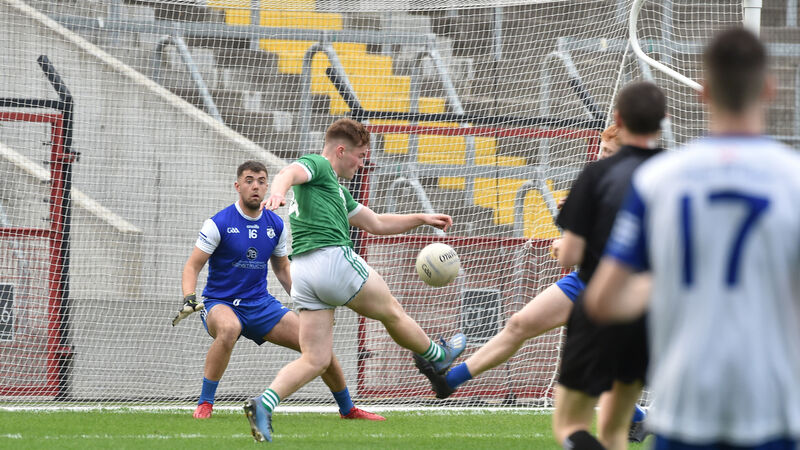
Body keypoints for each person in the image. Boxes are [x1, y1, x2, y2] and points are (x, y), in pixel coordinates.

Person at [585, 27, 800, 450]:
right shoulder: (793, 181)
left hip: (684, 408)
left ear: (703, 92)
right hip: (772, 408)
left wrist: (672, 283)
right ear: (769, 90)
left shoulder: (657, 180)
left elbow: (604, 301)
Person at [413, 124, 646, 441]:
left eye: (610, 153)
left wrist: (570, 240)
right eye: (602, 149)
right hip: (584, 280)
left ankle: (639, 418)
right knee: (519, 324)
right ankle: (448, 381)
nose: (602, 156)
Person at [242, 119, 466, 443]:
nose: (361, 163)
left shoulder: (334, 191)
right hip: (332, 260)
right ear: (341, 150)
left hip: (303, 272)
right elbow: (289, 172)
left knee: (316, 359)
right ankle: (436, 355)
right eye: (360, 156)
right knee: (391, 310)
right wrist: (277, 191)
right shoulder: (319, 165)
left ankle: (263, 405)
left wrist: (421, 218)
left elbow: (375, 223)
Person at [174, 160, 384, 422]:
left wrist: (312, 305)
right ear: (237, 186)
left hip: (260, 305)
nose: (256, 186)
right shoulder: (218, 223)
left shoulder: (275, 224)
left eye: (261, 181)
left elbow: (283, 270)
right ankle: (205, 403)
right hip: (221, 303)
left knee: (318, 346)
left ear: (267, 187)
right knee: (229, 329)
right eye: (249, 181)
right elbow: (192, 265)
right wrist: (189, 297)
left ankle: (348, 409)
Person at [551, 81, 666, 450]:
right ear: (661, 122)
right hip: (648, 310)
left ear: (618, 118)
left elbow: (570, 256)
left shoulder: (597, 174)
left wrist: (562, 245)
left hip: (599, 306)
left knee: (569, 424)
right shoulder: (674, 173)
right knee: (615, 429)